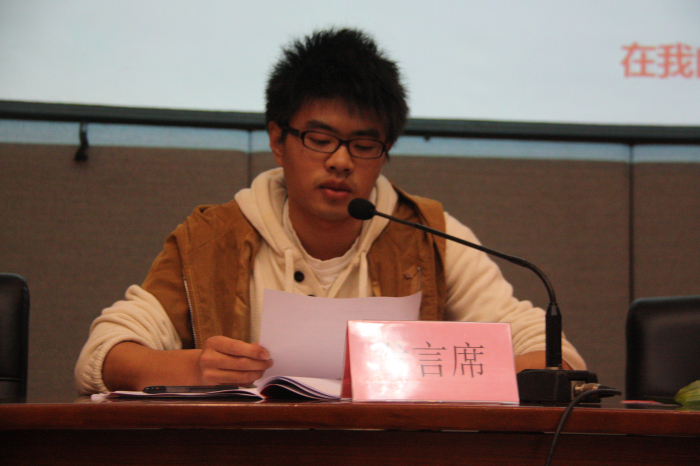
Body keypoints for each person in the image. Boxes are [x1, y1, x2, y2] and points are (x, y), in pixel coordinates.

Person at [75, 28, 585, 394]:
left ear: (385, 152)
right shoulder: (212, 239)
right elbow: (104, 352)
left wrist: (451, 376)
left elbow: (554, 353)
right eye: (319, 139)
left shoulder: (427, 235)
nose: (341, 162)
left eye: (363, 145)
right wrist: (193, 369)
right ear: (277, 139)